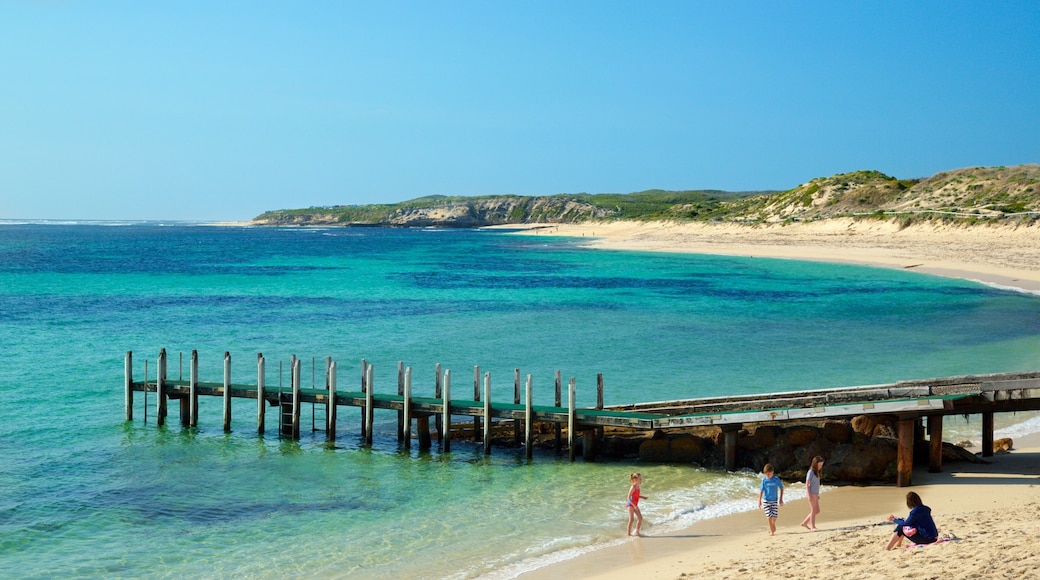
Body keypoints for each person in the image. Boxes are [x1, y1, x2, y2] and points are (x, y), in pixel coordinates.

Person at [758, 463, 784, 536]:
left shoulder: (776, 479)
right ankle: (772, 531)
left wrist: (781, 499)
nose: (768, 476)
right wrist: (759, 501)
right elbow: (761, 491)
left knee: (775, 516)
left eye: (769, 474)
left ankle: (772, 525)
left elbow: (781, 488)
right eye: (766, 474)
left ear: (772, 472)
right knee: (769, 516)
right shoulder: (764, 480)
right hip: (766, 501)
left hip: (774, 501)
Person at [800, 456, 824, 531]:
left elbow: (816, 484)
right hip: (811, 493)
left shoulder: (817, 472)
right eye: (819, 465)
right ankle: (813, 527)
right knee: (813, 510)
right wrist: (808, 494)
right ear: (815, 464)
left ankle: (804, 523)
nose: (820, 466)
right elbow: (807, 484)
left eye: (821, 465)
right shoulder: (810, 472)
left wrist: (817, 495)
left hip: (815, 493)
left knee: (817, 511)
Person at [626, 472, 647, 536]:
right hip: (630, 505)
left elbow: (636, 495)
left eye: (641, 479)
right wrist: (634, 505)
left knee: (640, 518)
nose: (641, 480)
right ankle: (628, 534)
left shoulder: (638, 487)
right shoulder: (633, 487)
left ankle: (636, 531)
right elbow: (628, 497)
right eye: (639, 479)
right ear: (635, 480)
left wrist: (642, 497)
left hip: (635, 505)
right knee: (631, 519)